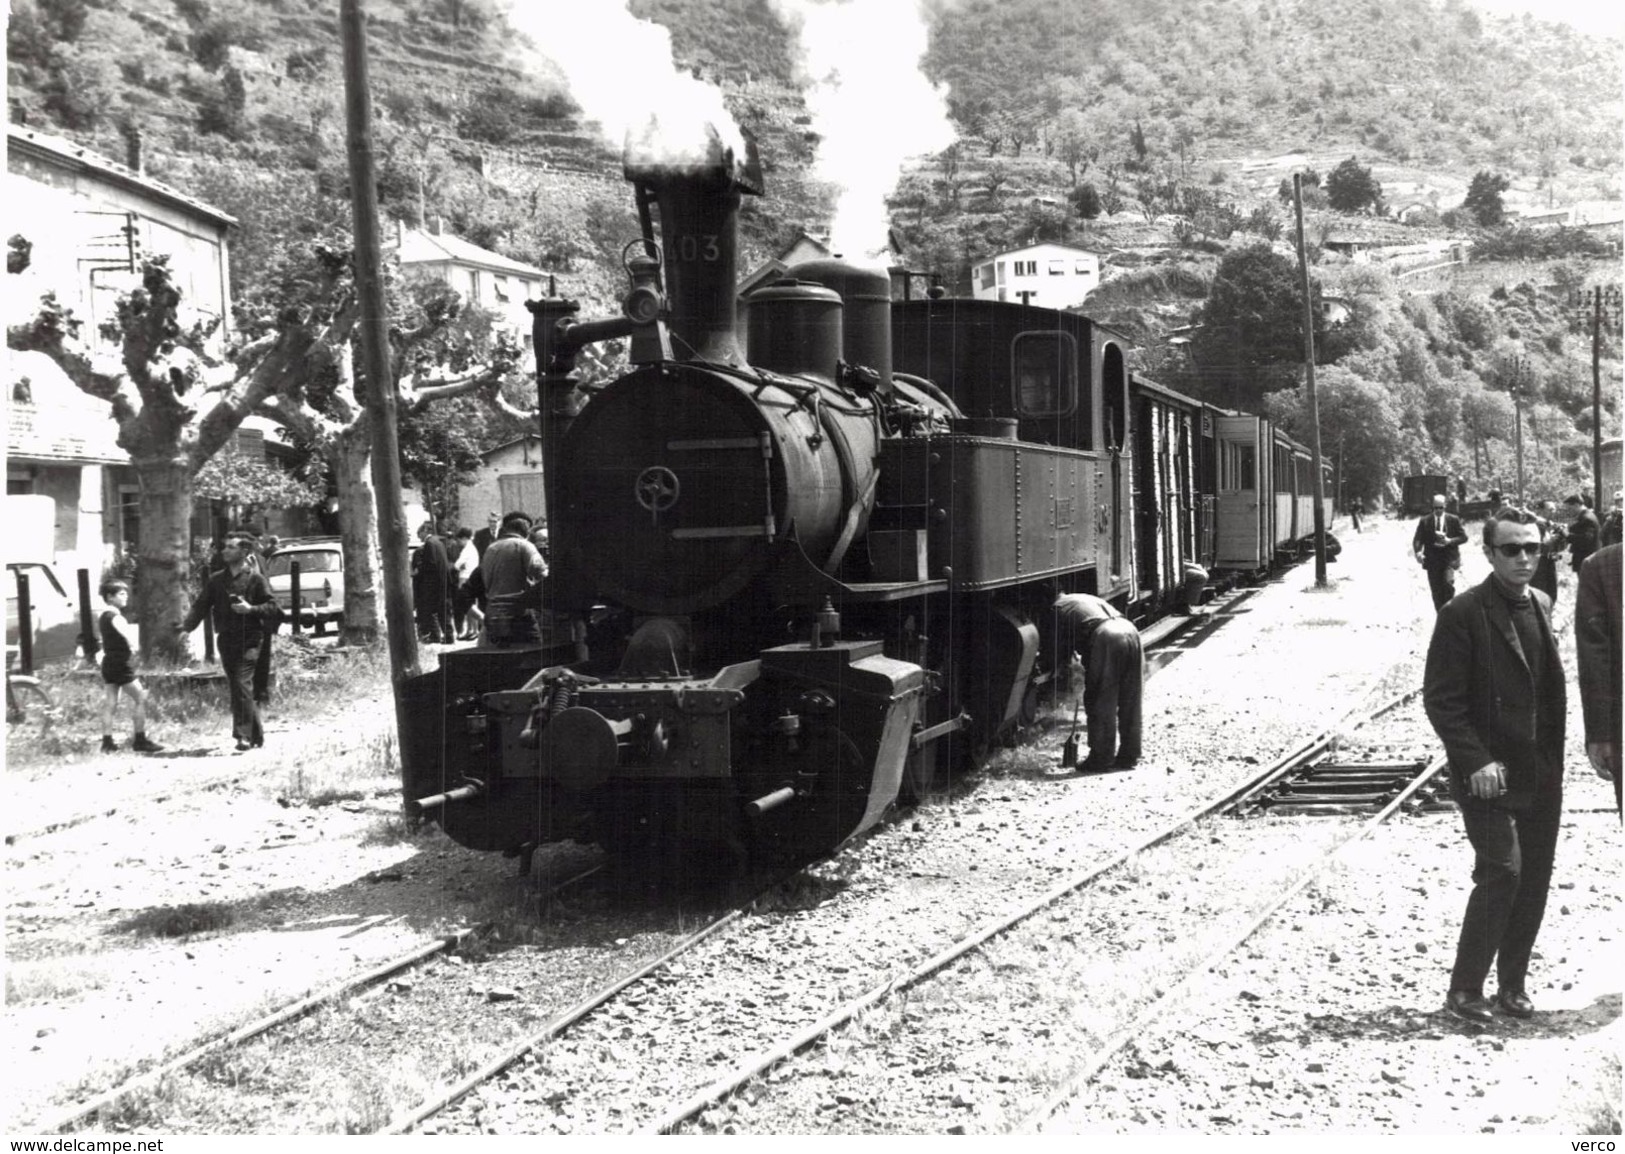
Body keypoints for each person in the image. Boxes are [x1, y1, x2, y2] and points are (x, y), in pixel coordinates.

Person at [1423, 507, 1566, 1023]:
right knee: (1503, 872)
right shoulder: (1463, 613)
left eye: (1533, 547)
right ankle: (1464, 991)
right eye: (1512, 549)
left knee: (1534, 879)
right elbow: (1442, 701)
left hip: (1539, 770)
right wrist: (1475, 760)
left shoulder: (1543, 604)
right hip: (1487, 776)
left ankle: (1512, 986)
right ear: (1489, 553)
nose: (1524, 558)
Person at [178, 533, 279, 752]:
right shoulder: (216, 579)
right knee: (237, 686)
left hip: (251, 638)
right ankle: (257, 734)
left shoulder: (255, 579)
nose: (225, 551)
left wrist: (251, 609)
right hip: (226, 639)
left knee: (242, 682)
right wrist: (187, 628)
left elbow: (273, 607)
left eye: (231, 548)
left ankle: (241, 735)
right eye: (225, 547)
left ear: (244, 553)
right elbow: (201, 605)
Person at [1053, 593, 1143, 773]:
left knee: (1101, 700)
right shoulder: (1081, 598)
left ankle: (1101, 759)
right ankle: (1129, 755)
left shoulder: (1056, 608)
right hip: (1130, 630)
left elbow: (1060, 647)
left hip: (1106, 636)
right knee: (1131, 698)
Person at [1575, 543, 1622, 815]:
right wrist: (1601, 733)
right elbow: (1595, 661)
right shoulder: (1603, 568)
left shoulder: (1604, 566)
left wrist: (1600, 735)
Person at [97, 580, 163, 754]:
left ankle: (107, 742)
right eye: (121, 594)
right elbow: (129, 637)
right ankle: (140, 740)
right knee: (141, 698)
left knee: (111, 703)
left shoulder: (103, 617)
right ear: (110, 597)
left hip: (108, 663)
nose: (126, 597)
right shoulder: (117, 617)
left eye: (126, 593)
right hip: (121, 664)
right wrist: (137, 650)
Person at [479, 512, 546, 645]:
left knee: (502, 657)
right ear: (526, 529)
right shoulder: (524, 546)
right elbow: (541, 574)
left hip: (493, 612)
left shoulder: (490, 548)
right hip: (517, 612)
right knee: (535, 653)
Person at [1413, 493, 1468, 611]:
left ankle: (1449, 613)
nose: (1438, 510)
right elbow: (1418, 539)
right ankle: (1441, 617)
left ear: (1445, 506)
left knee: (1448, 586)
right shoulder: (1425, 521)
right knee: (1436, 592)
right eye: (1436, 508)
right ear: (1432, 507)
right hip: (1432, 561)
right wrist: (1418, 552)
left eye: (1441, 508)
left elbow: (1464, 537)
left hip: (1449, 560)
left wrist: (1450, 541)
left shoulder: (1453, 520)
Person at [411, 522, 454, 644]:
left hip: (433, 583)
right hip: (442, 580)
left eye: (419, 534)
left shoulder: (429, 543)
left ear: (424, 531)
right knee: (443, 610)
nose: (419, 537)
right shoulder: (439, 542)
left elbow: (431, 563)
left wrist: (419, 571)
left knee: (432, 610)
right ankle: (449, 635)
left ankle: (435, 636)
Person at [451, 527, 482, 640]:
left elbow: (456, 565)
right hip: (472, 578)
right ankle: (472, 629)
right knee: (470, 604)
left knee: (466, 604)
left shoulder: (467, 550)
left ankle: (473, 629)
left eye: (459, 540)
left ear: (464, 538)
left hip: (465, 578)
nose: (459, 543)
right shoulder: (472, 549)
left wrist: (458, 567)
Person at [1564, 494, 1600, 574]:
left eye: (1570, 508)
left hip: (1587, 560)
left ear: (1576, 505)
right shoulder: (1585, 517)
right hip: (1586, 560)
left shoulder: (1587, 518)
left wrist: (1567, 535)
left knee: (1587, 585)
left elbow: (1586, 540)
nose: (1569, 511)